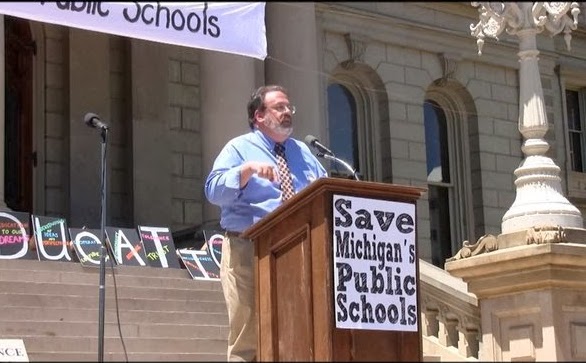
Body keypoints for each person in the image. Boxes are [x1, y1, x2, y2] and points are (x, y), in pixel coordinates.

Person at [204, 85, 328, 361]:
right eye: (279, 108)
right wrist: (244, 172)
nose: (287, 113)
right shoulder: (238, 148)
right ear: (259, 116)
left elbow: (324, 192)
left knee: (297, 328)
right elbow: (213, 191)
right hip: (248, 249)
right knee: (248, 336)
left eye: (289, 107)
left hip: (300, 249)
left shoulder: (304, 153)